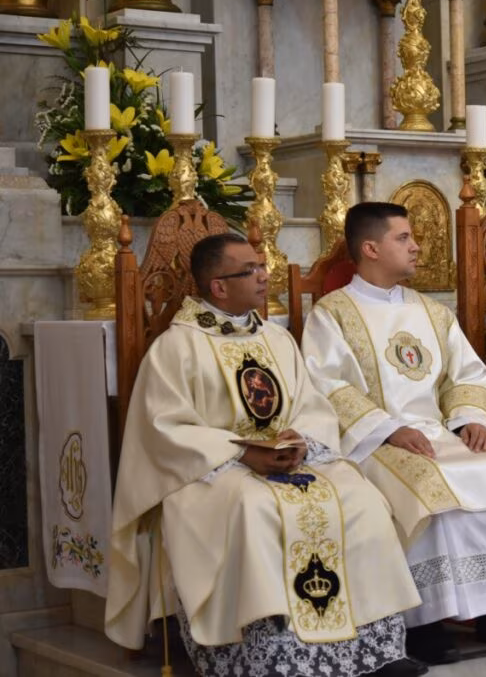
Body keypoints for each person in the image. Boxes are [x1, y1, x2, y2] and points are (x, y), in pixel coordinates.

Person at [105, 233, 424, 677]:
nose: (263, 275)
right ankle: (270, 655)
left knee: (361, 498)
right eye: (250, 270)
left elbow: (311, 406)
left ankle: (373, 647)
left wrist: (299, 440)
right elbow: (162, 429)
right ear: (218, 286)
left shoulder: (275, 338)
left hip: (287, 460)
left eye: (262, 266)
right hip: (213, 474)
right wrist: (240, 452)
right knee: (255, 508)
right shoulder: (177, 347)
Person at [301, 202, 486, 665]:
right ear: (370, 248)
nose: (417, 246)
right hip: (374, 442)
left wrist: (471, 419)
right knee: (429, 489)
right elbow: (326, 386)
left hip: (442, 432)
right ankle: (422, 623)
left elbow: (464, 375)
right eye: (403, 238)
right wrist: (389, 429)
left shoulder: (432, 312)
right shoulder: (333, 314)